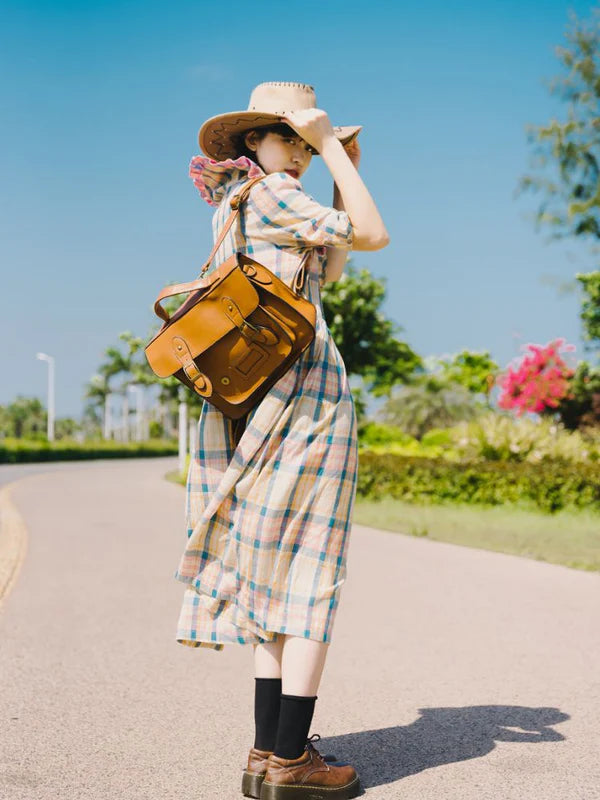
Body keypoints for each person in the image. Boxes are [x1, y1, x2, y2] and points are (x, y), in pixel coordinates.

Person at [173, 82, 390, 799]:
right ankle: (294, 763)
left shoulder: (242, 207)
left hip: (254, 407)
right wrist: (333, 149)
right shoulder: (271, 195)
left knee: (276, 575)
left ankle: (268, 755)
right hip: (306, 403)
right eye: (285, 136)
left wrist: (331, 163)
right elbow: (374, 233)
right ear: (251, 145)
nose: (296, 148)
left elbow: (330, 266)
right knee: (313, 576)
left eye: (302, 136)